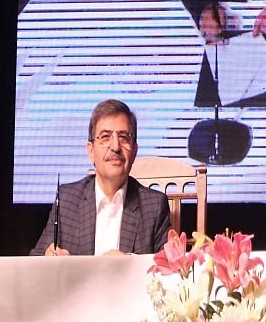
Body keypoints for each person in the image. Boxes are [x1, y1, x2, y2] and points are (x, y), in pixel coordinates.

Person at [30, 99, 171, 256]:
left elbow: (169, 266)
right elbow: (36, 257)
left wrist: (128, 263)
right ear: (91, 151)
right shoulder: (67, 200)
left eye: (123, 137)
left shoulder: (154, 206)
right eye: (105, 137)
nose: (115, 147)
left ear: (134, 151)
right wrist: (49, 257)